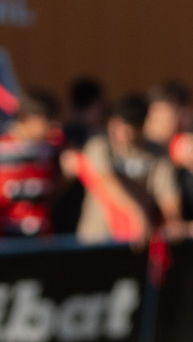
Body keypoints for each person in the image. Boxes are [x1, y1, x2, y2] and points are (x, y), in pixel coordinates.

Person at [72, 95, 179, 243]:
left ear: (141, 126)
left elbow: (168, 197)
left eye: (126, 128)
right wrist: (137, 213)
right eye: (115, 124)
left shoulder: (157, 154)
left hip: (138, 241)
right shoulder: (99, 145)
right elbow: (107, 181)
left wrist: (172, 222)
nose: (118, 131)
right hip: (96, 239)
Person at [0, 89, 62, 237]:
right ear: (27, 119)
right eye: (48, 121)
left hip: (42, 239)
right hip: (8, 241)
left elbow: (51, 192)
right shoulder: (3, 149)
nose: (54, 128)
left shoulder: (50, 149)